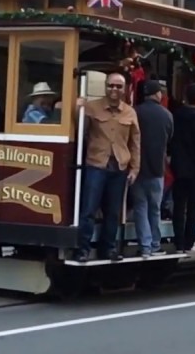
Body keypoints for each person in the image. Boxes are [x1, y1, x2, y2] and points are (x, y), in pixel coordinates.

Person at [73, 72, 141, 262]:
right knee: (88, 210)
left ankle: (108, 249)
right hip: (96, 165)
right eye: (111, 85)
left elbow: (135, 143)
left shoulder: (130, 112)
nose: (114, 89)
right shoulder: (92, 107)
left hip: (119, 168)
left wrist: (135, 169)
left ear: (124, 89)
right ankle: (83, 250)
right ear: (105, 86)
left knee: (113, 212)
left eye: (118, 86)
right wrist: (75, 108)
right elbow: (79, 130)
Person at [130, 80, 173, 258]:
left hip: (137, 168)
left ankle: (145, 246)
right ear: (157, 94)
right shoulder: (167, 115)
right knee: (154, 209)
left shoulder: (135, 112)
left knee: (140, 207)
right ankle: (156, 244)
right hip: (157, 169)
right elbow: (169, 138)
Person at [168, 82, 195, 255]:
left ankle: (178, 242)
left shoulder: (176, 115)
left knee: (178, 206)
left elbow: (171, 140)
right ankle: (189, 242)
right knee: (192, 208)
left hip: (178, 168)